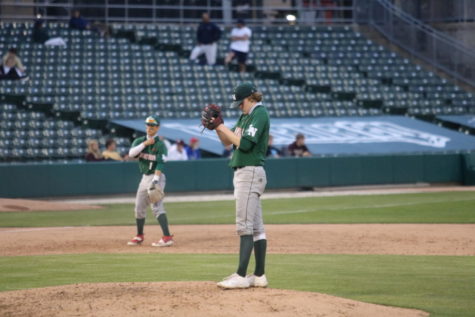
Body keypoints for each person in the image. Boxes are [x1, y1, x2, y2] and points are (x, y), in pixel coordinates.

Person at [212, 82, 270, 289]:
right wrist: (217, 126)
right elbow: (227, 142)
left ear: (251, 98)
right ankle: (259, 275)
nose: (239, 106)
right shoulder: (246, 116)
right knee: (256, 228)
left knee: (244, 225)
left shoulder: (259, 114)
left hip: (250, 171)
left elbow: (245, 144)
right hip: (245, 172)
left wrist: (220, 126)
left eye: (241, 102)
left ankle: (241, 275)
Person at [127, 115, 174, 247]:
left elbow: (161, 163)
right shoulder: (139, 141)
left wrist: (155, 180)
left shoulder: (160, 144)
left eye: (152, 126)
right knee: (139, 207)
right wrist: (145, 144)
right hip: (144, 178)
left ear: (157, 127)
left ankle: (167, 237)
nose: (149, 128)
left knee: (156, 207)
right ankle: (139, 235)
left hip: (156, 177)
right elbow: (131, 154)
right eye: (148, 125)